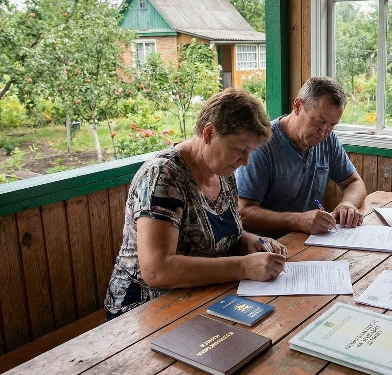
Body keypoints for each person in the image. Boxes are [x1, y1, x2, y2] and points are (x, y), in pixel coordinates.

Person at [104, 88, 287, 320]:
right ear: (209, 133)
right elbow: (157, 270)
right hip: (145, 307)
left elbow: (221, 232)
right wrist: (243, 266)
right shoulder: (163, 176)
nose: (246, 161)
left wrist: (250, 241)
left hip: (201, 293)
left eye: (250, 152)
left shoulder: (222, 171)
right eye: (240, 150)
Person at [235, 76, 367, 237]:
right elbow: (243, 213)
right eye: (319, 121)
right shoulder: (262, 145)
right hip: (266, 248)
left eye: (332, 125)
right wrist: (297, 220)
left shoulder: (328, 140)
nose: (325, 132)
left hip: (310, 240)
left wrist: (348, 203)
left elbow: (354, 182)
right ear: (297, 106)